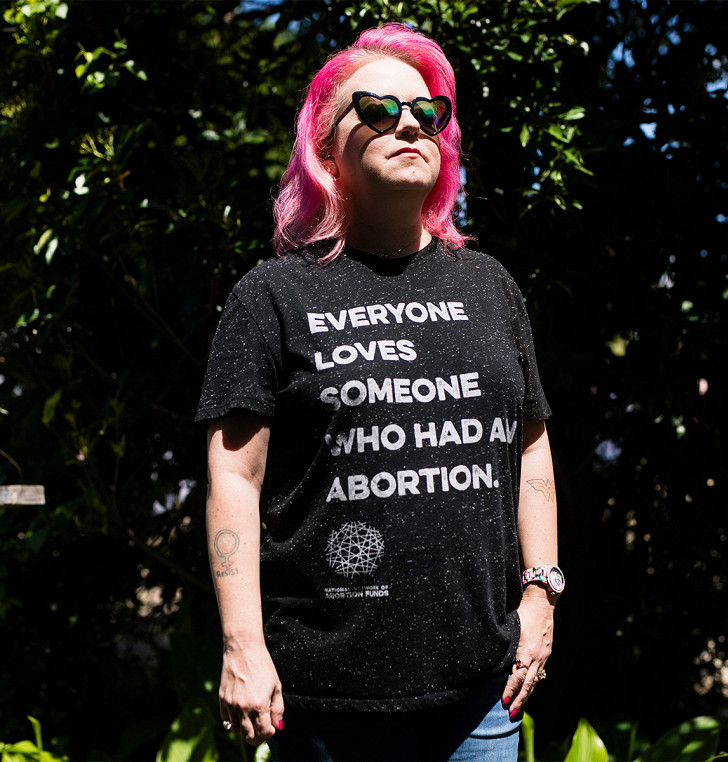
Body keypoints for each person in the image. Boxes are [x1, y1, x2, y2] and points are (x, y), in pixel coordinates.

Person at [196, 21, 562, 762]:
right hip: (331, 696)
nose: (410, 125)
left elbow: (531, 450)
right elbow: (234, 477)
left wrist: (541, 594)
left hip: (482, 695)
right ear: (324, 148)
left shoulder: (490, 287)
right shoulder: (272, 297)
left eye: (428, 112)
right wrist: (242, 643)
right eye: (379, 109)